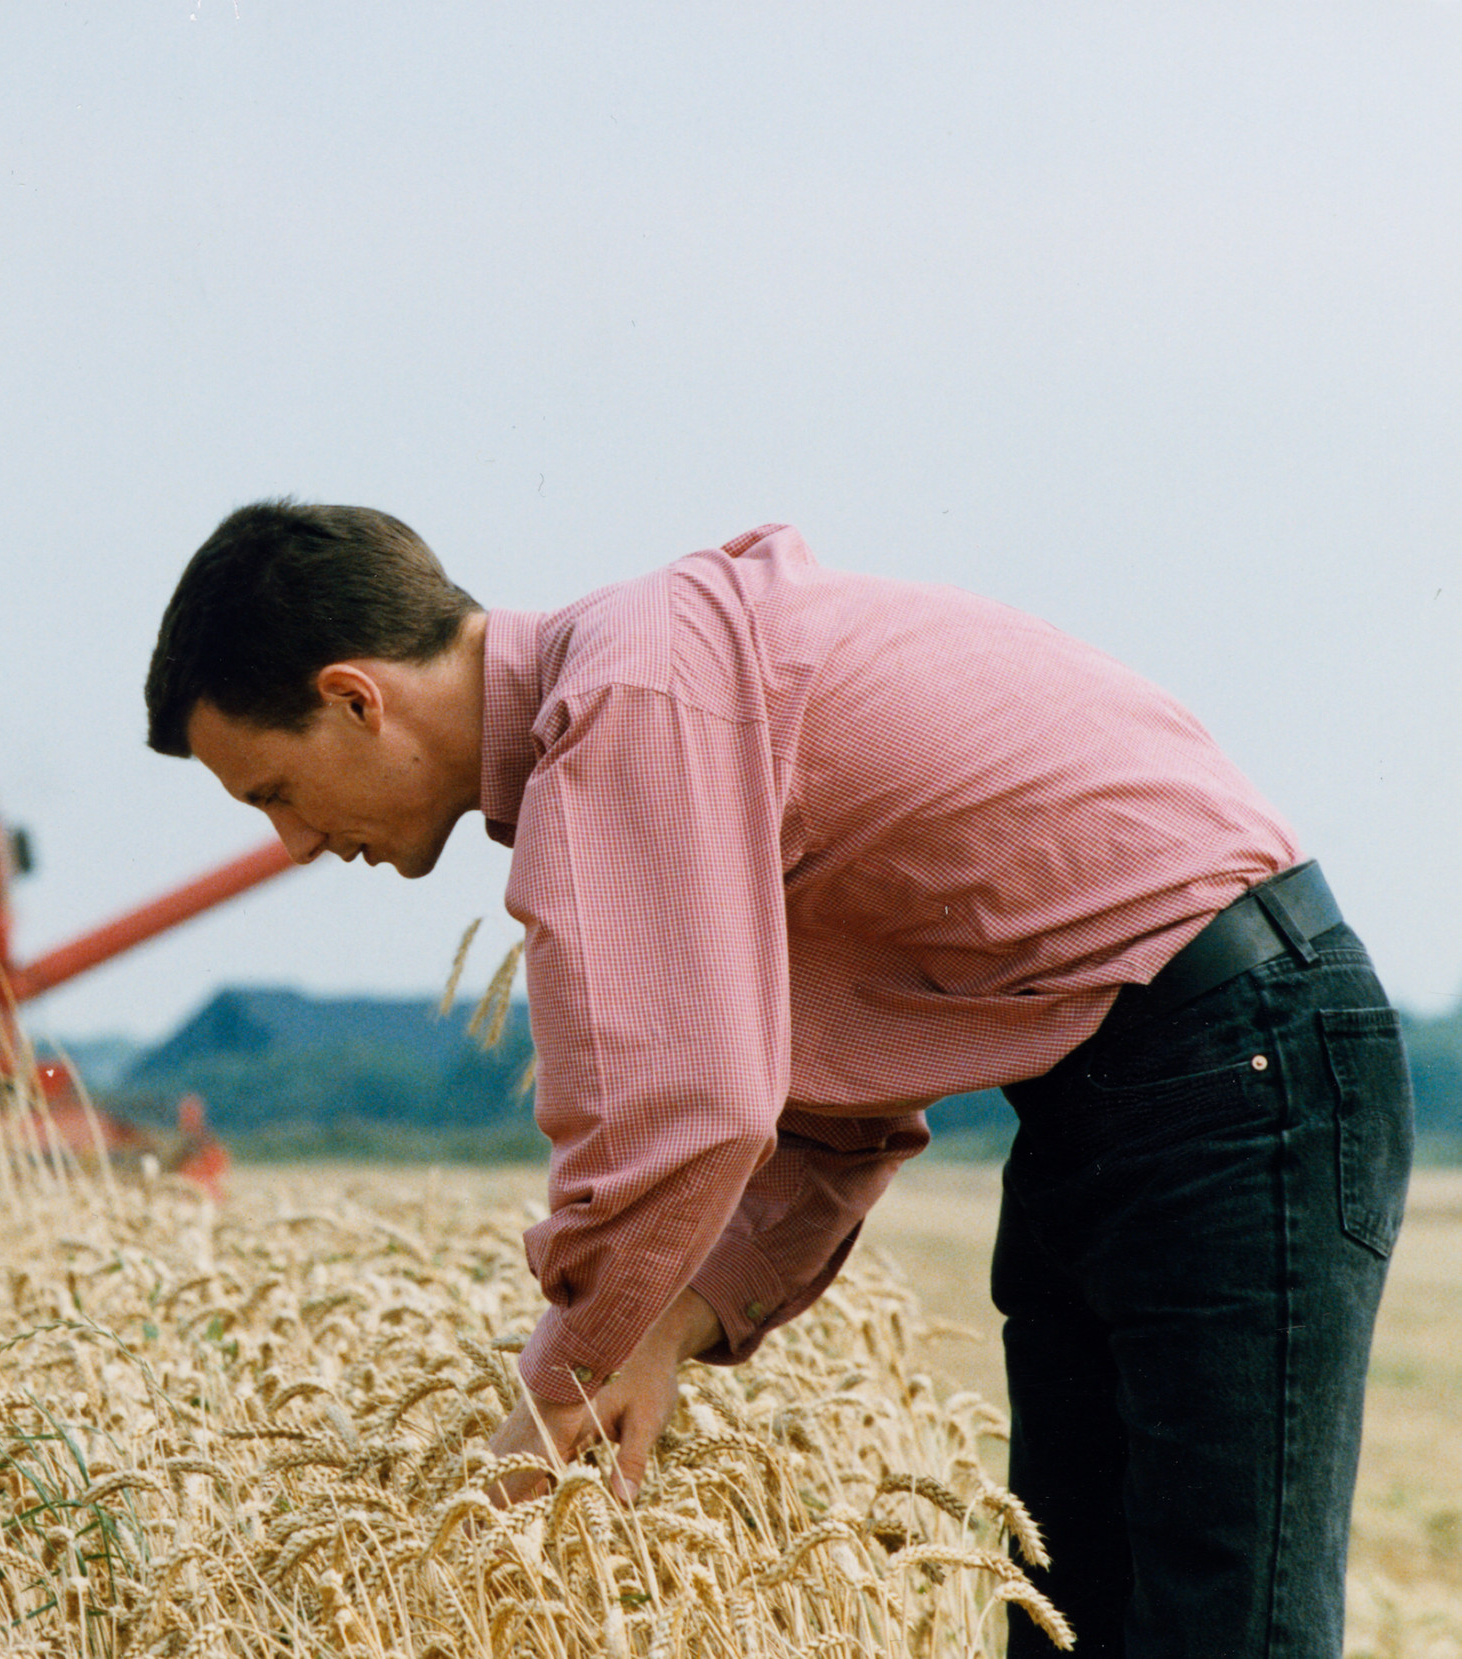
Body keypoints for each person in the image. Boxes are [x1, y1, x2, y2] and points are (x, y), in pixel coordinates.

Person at [142, 500, 1413, 1659]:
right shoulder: (659, 692)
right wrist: (659, 1325)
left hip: (1237, 1067)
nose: (296, 843)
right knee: (1073, 1620)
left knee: (1216, 1626)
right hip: (1139, 1083)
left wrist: (556, 1389)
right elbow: (823, 1119)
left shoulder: (628, 704)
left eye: (276, 791)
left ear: (356, 699)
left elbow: (687, 1110)